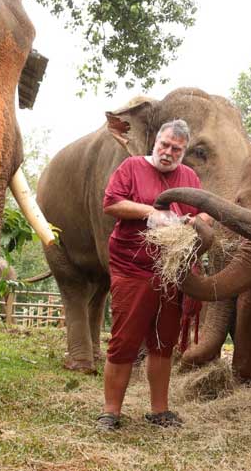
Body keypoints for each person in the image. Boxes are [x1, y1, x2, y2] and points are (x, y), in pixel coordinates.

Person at [96, 119, 212, 431]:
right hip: (132, 267)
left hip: (173, 272)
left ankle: (160, 411)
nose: (168, 152)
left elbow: (204, 211)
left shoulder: (188, 177)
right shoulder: (132, 167)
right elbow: (111, 203)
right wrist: (151, 212)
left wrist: (196, 221)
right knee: (125, 340)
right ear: (155, 142)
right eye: (165, 145)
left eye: (176, 149)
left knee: (163, 342)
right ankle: (111, 412)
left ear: (183, 152)